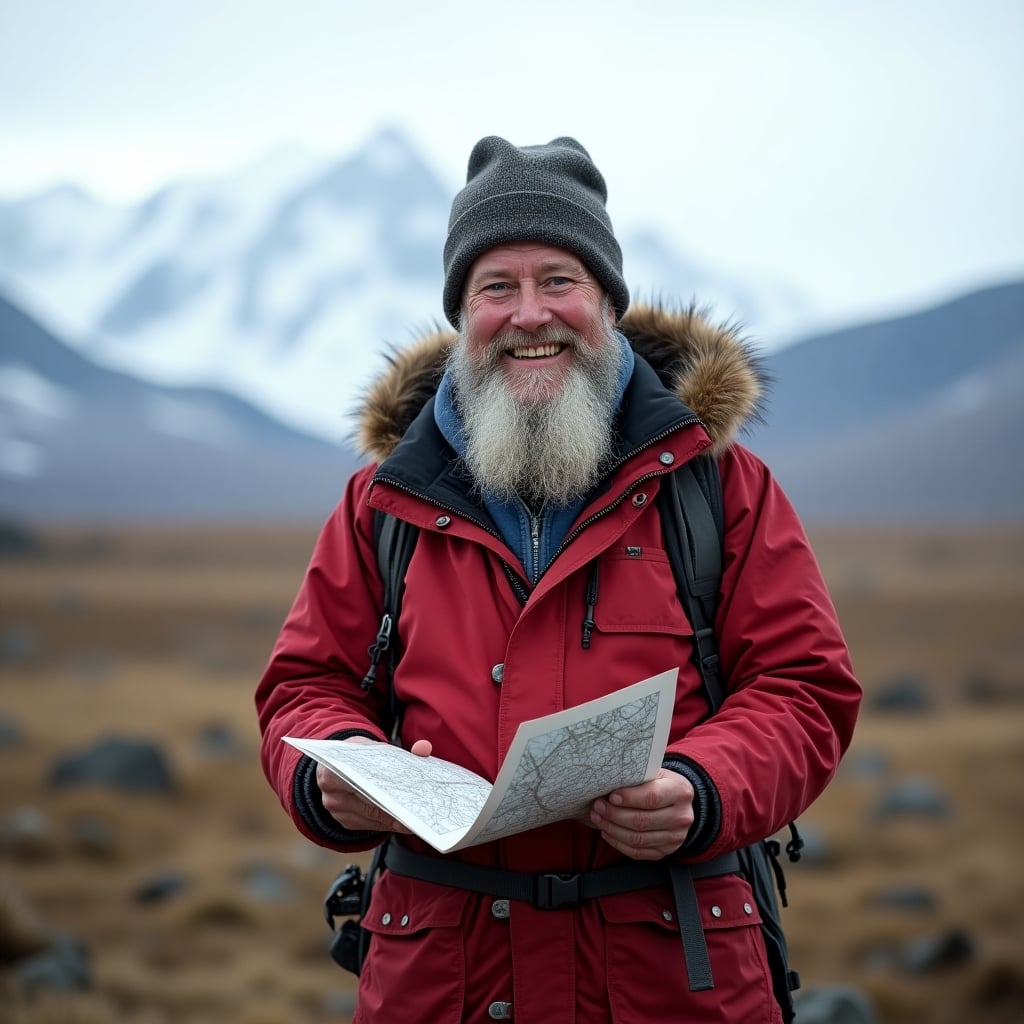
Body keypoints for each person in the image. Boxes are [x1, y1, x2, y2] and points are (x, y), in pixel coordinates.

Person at [256, 135, 861, 1023]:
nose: (529, 313)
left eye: (559, 281)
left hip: (672, 978)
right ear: (463, 314)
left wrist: (702, 788)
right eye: (496, 287)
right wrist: (333, 773)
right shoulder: (379, 504)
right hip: (445, 979)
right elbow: (304, 686)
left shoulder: (719, 487)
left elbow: (804, 689)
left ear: (607, 302)